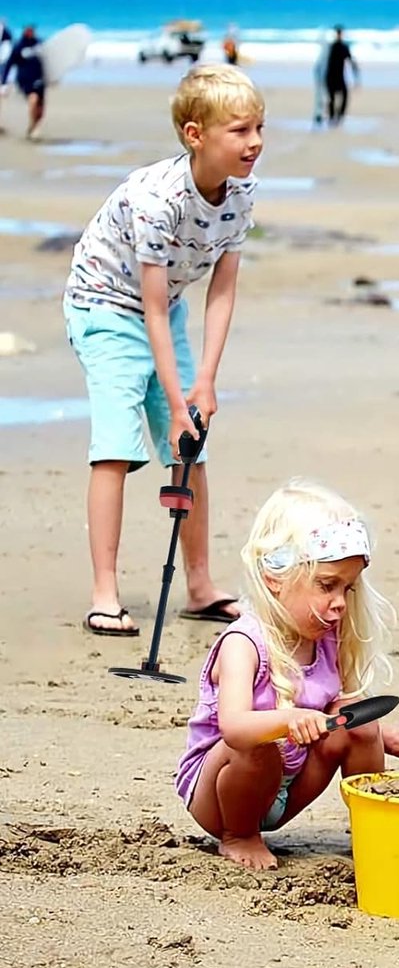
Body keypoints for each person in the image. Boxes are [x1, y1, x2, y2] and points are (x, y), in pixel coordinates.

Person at [64, 64, 264, 636]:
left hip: (164, 306)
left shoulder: (241, 194)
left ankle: (199, 586)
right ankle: (105, 592)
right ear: (195, 135)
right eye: (239, 131)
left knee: (190, 446)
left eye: (259, 128)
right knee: (116, 444)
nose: (254, 143)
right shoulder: (157, 199)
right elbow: (147, 307)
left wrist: (203, 385)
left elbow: (222, 290)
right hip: (104, 303)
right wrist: (175, 402)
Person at [175, 480, 399, 870]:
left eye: (347, 589)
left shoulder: (326, 637)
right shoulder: (244, 643)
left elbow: (334, 714)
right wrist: (287, 720)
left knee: (358, 717)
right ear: (274, 577)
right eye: (327, 585)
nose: (339, 604)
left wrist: (387, 739)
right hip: (221, 794)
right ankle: (240, 836)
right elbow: (233, 729)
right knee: (258, 744)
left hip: (289, 785)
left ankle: (374, 832)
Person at [2, 25, 46, 139]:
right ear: (24, 32)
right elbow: (9, 64)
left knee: (40, 109)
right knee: (33, 100)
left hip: (40, 80)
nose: (31, 33)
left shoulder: (40, 44)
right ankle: (33, 130)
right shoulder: (19, 47)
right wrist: (4, 82)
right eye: (28, 31)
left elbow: (50, 60)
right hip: (25, 80)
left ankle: (33, 126)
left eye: (32, 31)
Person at [324, 25, 359, 127]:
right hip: (330, 77)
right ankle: (332, 119)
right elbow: (323, 63)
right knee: (332, 99)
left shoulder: (343, 47)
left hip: (338, 77)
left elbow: (351, 61)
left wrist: (356, 76)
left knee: (343, 97)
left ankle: (338, 117)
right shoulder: (331, 47)